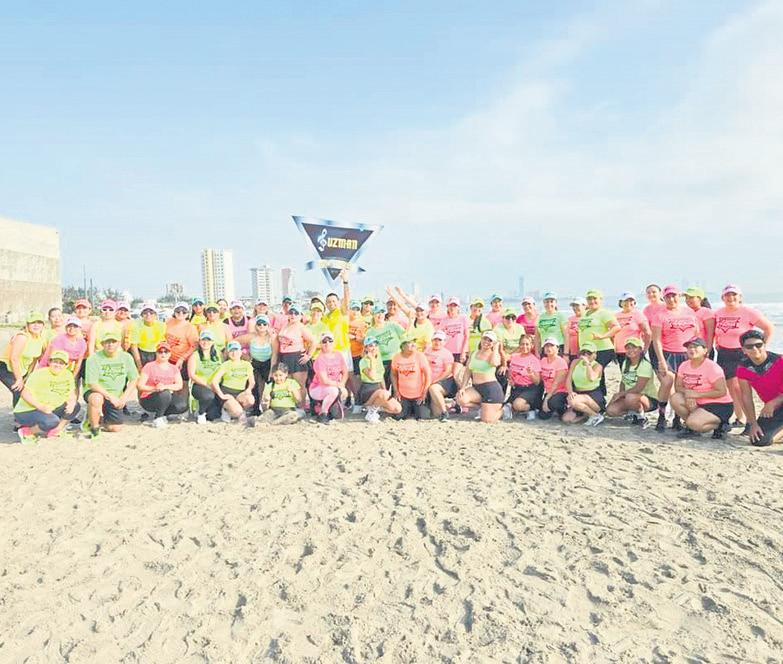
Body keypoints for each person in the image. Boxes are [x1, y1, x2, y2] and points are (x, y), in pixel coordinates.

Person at [713, 284, 774, 431]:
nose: (731, 298)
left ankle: (749, 421)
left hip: (742, 353)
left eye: (734, 295)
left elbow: (769, 328)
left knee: (740, 388)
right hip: (724, 353)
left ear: (740, 297)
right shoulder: (718, 313)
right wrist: (716, 343)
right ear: (723, 298)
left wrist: (760, 348)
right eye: (727, 295)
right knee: (731, 388)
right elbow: (715, 331)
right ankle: (739, 418)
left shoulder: (749, 312)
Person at [650, 285, 700, 432]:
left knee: (682, 387)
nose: (671, 299)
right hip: (668, 353)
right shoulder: (660, 315)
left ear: (679, 297)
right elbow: (656, 340)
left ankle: (677, 418)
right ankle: (661, 415)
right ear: (663, 298)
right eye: (668, 297)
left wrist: (698, 354)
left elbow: (696, 334)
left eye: (674, 296)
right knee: (667, 382)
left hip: (687, 354)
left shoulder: (689, 312)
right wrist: (661, 361)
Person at [671, 337, 733, 439]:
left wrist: (697, 395)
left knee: (694, 423)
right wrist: (689, 394)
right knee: (675, 398)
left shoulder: (712, 367)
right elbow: (678, 386)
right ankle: (692, 428)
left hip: (718, 404)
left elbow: (721, 391)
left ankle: (721, 425)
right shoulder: (684, 365)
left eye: (696, 347)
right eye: (689, 347)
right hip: (697, 401)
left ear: (705, 350)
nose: (692, 349)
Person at [14, 350, 80, 443]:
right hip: (29, 410)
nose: (57, 365)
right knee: (52, 421)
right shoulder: (39, 374)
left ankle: (55, 431)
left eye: (61, 363)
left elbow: (71, 392)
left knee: (75, 406)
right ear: (49, 362)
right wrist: (41, 407)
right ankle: (27, 432)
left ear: (66, 365)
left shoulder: (67, 374)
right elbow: (24, 393)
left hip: (50, 407)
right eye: (55, 362)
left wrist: (72, 402)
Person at [83, 331, 139, 437]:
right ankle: (94, 428)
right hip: (97, 392)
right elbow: (92, 384)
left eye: (113, 342)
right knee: (96, 399)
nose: (110, 344)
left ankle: (97, 417)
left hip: (116, 395)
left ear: (119, 343)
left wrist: (124, 397)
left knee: (115, 428)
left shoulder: (126, 357)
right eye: (107, 342)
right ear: (102, 344)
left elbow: (134, 379)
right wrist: (110, 397)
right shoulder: (93, 359)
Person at [736, 330, 783, 447]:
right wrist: (753, 424)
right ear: (743, 350)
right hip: (775, 409)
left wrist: (773, 403)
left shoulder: (780, 361)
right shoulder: (743, 369)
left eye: (758, 345)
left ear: (764, 345)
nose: (755, 349)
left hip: (774, 404)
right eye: (749, 346)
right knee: (758, 440)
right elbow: (746, 397)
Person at [605, 337, 659, 427]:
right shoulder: (626, 363)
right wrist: (620, 395)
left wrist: (621, 394)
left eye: (634, 347)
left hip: (647, 398)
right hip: (629, 396)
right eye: (628, 348)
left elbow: (639, 388)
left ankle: (641, 417)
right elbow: (623, 381)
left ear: (640, 349)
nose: (631, 350)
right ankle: (632, 412)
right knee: (611, 410)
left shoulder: (645, 365)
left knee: (631, 397)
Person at [577, 289, 620, 394]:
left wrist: (602, 336)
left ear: (600, 300)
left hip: (602, 349)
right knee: (591, 373)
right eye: (589, 299)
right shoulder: (585, 313)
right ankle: (597, 396)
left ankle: (600, 397)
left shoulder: (604, 313)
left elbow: (616, 327)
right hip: (587, 349)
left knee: (596, 373)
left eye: (595, 298)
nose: (592, 301)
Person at [0, 311, 47, 406]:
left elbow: (34, 359)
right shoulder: (22, 337)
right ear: (27, 325)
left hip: (22, 370)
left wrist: (28, 375)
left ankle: (17, 412)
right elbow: (14, 358)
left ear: (43, 325)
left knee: (22, 390)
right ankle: (20, 413)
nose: (36, 325)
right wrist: (19, 379)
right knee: (19, 390)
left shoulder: (40, 339)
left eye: (39, 322)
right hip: (6, 368)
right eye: (33, 322)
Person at [456, 330, 503, 423]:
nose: (486, 342)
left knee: (487, 420)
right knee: (461, 398)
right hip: (476, 387)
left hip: (491, 389)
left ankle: (504, 410)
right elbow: (468, 371)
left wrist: (496, 348)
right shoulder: (474, 353)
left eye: (490, 340)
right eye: (485, 339)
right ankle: (483, 408)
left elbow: (495, 363)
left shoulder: (493, 354)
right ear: (481, 339)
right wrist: (463, 387)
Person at [235, 314, 278, 416]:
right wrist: (243, 355)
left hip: (268, 363)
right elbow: (234, 342)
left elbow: (275, 355)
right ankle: (255, 409)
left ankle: (273, 407)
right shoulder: (251, 336)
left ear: (268, 325)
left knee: (271, 387)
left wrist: (272, 371)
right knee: (255, 386)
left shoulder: (272, 337)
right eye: (259, 324)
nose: (262, 326)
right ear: (256, 326)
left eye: (264, 324)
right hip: (254, 363)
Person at [136, 342, 187, 427]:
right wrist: (155, 388)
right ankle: (158, 418)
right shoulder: (149, 366)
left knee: (182, 405)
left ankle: (163, 414)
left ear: (170, 354)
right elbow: (140, 385)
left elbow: (179, 385)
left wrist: (165, 387)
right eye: (160, 352)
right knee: (164, 394)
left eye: (166, 352)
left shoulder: (174, 368)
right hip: (149, 397)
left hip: (167, 395)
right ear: (156, 353)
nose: (163, 354)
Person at [276, 305, 315, 407]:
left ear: (300, 315)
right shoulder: (285, 325)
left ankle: (302, 406)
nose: (293, 315)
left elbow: (313, 341)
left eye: (296, 313)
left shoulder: (301, 327)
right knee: (287, 383)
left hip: (297, 357)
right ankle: (290, 405)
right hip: (284, 357)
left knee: (299, 385)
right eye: (291, 312)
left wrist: (308, 356)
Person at [210, 340, 255, 424]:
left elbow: (252, 382)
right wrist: (221, 395)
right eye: (231, 351)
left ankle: (239, 412)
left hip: (240, 392)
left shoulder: (247, 365)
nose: (234, 353)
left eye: (236, 350)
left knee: (250, 400)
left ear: (240, 352)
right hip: (227, 392)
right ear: (228, 353)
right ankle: (228, 410)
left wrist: (248, 389)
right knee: (237, 411)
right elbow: (214, 381)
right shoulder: (225, 365)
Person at [358, 337, 402, 422]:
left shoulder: (378, 359)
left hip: (378, 390)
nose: (374, 348)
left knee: (397, 409)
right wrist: (371, 360)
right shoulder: (363, 361)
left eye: (376, 345)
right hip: (367, 391)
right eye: (371, 346)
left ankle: (375, 407)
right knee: (384, 394)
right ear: (366, 348)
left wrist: (384, 390)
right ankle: (371, 412)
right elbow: (372, 376)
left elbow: (381, 376)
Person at [309, 332, 349, 424]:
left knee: (337, 415)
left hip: (334, 386)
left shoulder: (338, 355)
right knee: (333, 391)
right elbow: (324, 380)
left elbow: (345, 372)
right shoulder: (320, 359)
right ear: (321, 344)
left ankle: (326, 406)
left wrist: (342, 385)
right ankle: (323, 413)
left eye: (330, 341)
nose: (327, 343)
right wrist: (339, 386)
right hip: (318, 388)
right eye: (324, 341)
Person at [562, 342, 605, 426]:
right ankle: (587, 414)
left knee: (573, 401)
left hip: (593, 395)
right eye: (583, 352)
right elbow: (568, 379)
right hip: (578, 393)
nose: (586, 355)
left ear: (594, 355)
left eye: (589, 353)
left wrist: (588, 364)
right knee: (566, 419)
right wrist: (570, 392)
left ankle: (595, 415)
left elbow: (591, 378)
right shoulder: (575, 362)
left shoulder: (597, 366)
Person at [391, 337, 432, 420]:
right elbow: (393, 374)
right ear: (402, 346)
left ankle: (414, 408)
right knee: (399, 416)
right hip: (403, 394)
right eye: (410, 343)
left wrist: (424, 393)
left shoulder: (420, 356)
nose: (413, 344)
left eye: (414, 342)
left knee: (423, 416)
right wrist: (396, 391)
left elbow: (428, 375)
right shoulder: (396, 357)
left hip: (419, 394)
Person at [187, 331, 223, 424]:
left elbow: (222, 369)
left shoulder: (218, 354)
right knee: (208, 396)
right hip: (200, 385)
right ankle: (201, 413)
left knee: (214, 415)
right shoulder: (194, 356)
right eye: (203, 340)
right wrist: (207, 384)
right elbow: (192, 375)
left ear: (212, 342)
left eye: (208, 340)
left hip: (215, 384)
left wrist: (216, 384)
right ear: (199, 341)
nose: (206, 342)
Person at [504, 334, 542, 420]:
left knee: (517, 405)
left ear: (532, 346)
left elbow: (537, 382)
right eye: (522, 344)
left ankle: (532, 408)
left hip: (530, 388)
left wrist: (531, 373)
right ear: (519, 345)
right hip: (516, 388)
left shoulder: (534, 360)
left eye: (527, 344)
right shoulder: (515, 357)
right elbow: (510, 371)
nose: (524, 346)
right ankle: (514, 408)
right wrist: (510, 379)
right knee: (505, 406)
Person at [368, 306, 406, 386]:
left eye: (382, 312)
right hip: (382, 362)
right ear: (373, 315)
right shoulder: (370, 332)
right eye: (377, 313)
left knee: (399, 386)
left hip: (397, 360)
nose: (380, 315)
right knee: (383, 387)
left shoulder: (393, 324)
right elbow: (369, 349)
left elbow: (405, 337)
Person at [426, 330, 458, 421]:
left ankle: (444, 412)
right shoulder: (427, 350)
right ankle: (451, 405)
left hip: (444, 381)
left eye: (440, 340)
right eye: (435, 340)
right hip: (429, 380)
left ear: (444, 342)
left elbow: (448, 371)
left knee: (433, 388)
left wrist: (435, 381)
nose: (437, 342)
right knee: (435, 413)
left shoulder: (446, 354)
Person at [613, 292, 651, 367]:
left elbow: (648, 333)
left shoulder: (638, 314)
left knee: (635, 373)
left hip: (634, 351)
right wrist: (613, 351)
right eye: (625, 301)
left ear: (634, 302)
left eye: (631, 300)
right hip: (619, 352)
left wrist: (645, 350)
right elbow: (612, 335)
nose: (628, 303)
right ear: (620, 303)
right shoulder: (615, 316)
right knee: (624, 373)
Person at [538, 338, 570, 421]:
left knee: (552, 403)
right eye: (546, 346)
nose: (549, 348)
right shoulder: (543, 360)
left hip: (560, 392)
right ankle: (553, 409)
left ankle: (563, 407)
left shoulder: (561, 362)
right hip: (549, 392)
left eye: (552, 346)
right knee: (542, 416)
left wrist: (546, 399)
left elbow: (556, 384)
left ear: (557, 348)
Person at [129, 302, 167, 370]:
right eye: (145, 312)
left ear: (155, 315)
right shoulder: (136, 325)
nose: (148, 314)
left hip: (156, 353)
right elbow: (134, 346)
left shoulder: (162, 325)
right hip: (141, 353)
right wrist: (139, 365)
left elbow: (163, 343)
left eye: (151, 312)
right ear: (141, 315)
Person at [683, 287, 715, 353]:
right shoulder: (685, 312)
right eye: (686, 298)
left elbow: (710, 335)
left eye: (691, 297)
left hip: (701, 349)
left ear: (699, 299)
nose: (688, 300)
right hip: (689, 349)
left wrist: (707, 351)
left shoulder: (707, 312)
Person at [440, 297, 469, 366]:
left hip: (459, 352)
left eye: (454, 305)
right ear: (447, 307)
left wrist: (463, 352)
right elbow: (441, 337)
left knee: (457, 371)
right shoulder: (443, 320)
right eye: (450, 305)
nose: (452, 308)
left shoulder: (463, 318)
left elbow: (466, 336)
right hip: (447, 351)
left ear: (458, 307)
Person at [566, 297, 586, 362]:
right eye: (573, 306)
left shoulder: (588, 318)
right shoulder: (570, 319)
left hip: (585, 351)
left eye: (577, 305)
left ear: (584, 306)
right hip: (572, 352)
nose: (575, 308)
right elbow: (566, 335)